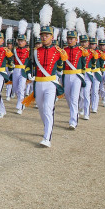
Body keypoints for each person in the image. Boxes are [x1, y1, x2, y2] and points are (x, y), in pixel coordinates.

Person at [26, 14, 67, 148]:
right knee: (42, 110)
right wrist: (28, 73)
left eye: (47, 35)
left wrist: (60, 67)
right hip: (38, 83)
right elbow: (29, 64)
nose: (44, 37)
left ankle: (47, 137)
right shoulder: (36, 51)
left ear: (52, 37)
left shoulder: (57, 51)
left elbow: (61, 65)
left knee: (48, 109)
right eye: (42, 35)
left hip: (50, 83)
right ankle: (47, 127)